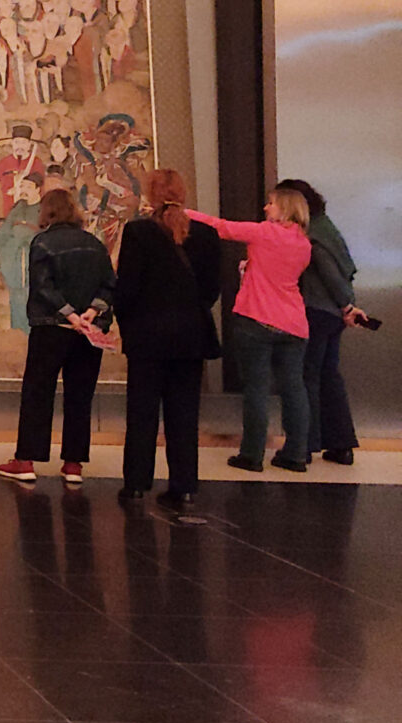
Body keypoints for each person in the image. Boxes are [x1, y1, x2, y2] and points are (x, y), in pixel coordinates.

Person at [115, 169, 221, 510]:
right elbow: (211, 289)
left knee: (142, 412)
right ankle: (185, 485)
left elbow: (127, 287)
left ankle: (136, 484)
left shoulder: (138, 232)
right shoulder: (206, 234)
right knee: (185, 414)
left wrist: (126, 323)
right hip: (190, 337)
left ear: (151, 196)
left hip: (147, 336)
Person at [189, 189, 314, 473]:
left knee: (256, 388)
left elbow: (220, 227)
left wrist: (182, 212)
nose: (265, 207)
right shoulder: (304, 245)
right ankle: (295, 453)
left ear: (284, 209)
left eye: (271, 203)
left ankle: (252, 453)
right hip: (294, 323)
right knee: (294, 388)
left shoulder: (263, 233)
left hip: (256, 318)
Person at [0, 189, 115, 485]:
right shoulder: (94, 244)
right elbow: (110, 284)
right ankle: (73, 464)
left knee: (38, 391)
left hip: (51, 328)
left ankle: (26, 460)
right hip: (88, 332)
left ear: (47, 212)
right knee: (80, 395)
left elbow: (42, 286)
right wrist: (89, 313)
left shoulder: (43, 242)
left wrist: (69, 314)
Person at [278, 179, 367, 466]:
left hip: (316, 311)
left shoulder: (311, 234)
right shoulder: (328, 227)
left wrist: (347, 305)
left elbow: (327, 273)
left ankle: (304, 444)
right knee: (329, 376)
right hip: (331, 316)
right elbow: (347, 268)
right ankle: (341, 444)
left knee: (305, 377)